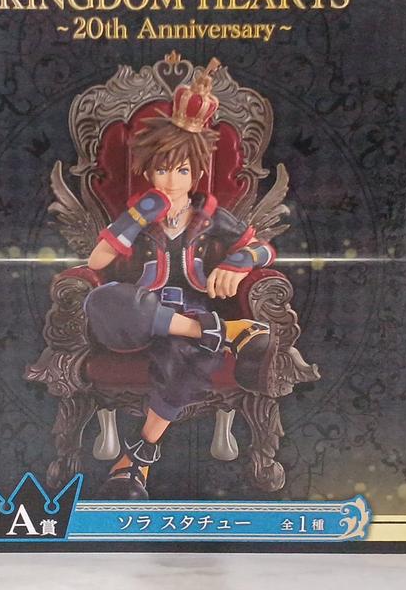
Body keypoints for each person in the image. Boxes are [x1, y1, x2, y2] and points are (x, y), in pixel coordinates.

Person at [83, 59, 277, 500]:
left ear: (197, 173)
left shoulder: (210, 216)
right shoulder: (139, 214)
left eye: (183, 171)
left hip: (189, 310)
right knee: (102, 300)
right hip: (139, 312)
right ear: (148, 172)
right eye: (163, 169)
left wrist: (237, 262)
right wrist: (137, 216)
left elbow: (264, 249)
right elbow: (97, 260)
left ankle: (135, 464)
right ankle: (225, 331)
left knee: (190, 357)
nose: (172, 181)